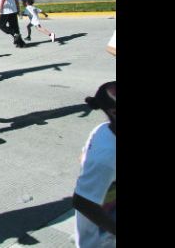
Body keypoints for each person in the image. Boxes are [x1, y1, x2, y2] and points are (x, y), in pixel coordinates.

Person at [73, 81, 116, 248]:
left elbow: (82, 157)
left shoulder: (103, 129)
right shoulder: (108, 157)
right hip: (102, 240)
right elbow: (82, 202)